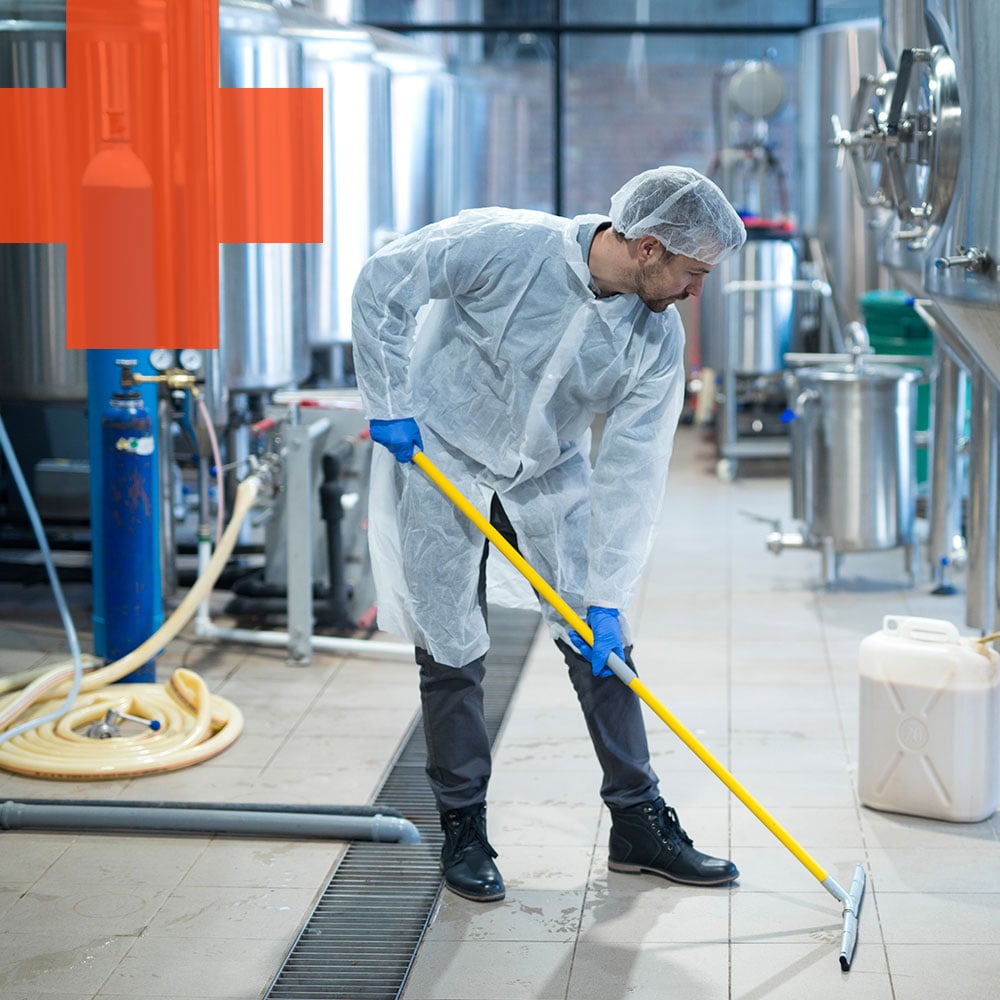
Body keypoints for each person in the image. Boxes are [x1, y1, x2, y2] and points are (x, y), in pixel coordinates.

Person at [351, 165, 746, 903]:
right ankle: (463, 826)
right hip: (443, 451)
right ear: (650, 247)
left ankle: (638, 825)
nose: (698, 292)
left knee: (604, 646)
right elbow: (385, 282)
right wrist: (389, 401)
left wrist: (609, 594)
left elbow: (633, 472)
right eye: (695, 273)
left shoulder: (656, 339)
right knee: (450, 648)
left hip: (546, 472)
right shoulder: (504, 244)